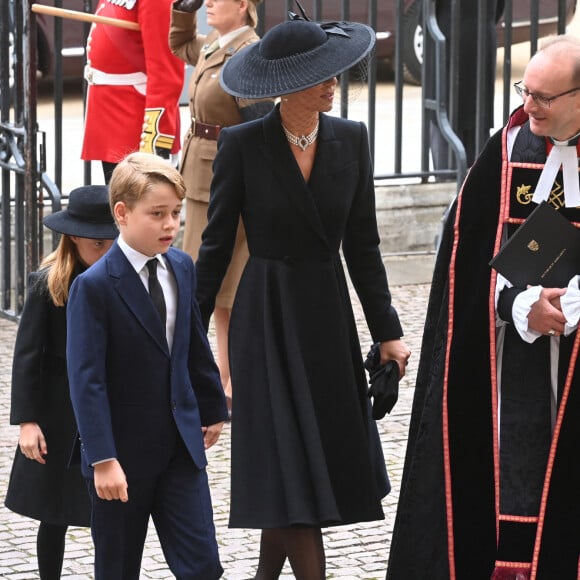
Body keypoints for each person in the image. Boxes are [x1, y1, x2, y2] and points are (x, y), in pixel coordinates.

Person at [194, 15, 411, 579]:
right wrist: (185, 337)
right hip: (264, 318)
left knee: (299, 471)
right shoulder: (242, 145)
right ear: (284, 85)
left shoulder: (352, 139)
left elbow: (363, 246)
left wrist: (387, 331)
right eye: (317, 76)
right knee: (286, 462)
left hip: (325, 319)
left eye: (333, 73)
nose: (332, 84)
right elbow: (215, 246)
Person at [386, 35, 580, 580]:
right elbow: (464, 265)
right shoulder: (506, 151)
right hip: (509, 363)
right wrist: (521, 307)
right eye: (527, 91)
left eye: (545, 97)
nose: (530, 106)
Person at [66, 152, 228, 580]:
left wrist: (212, 408)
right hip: (121, 458)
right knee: (118, 569)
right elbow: (88, 380)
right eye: (157, 214)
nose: (171, 225)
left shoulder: (181, 266)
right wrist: (102, 458)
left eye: (176, 212)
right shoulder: (94, 287)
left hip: (180, 449)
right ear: (121, 213)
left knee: (204, 567)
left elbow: (192, 342)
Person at [4, 185, 117, 579]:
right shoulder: (46, 283)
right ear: (72, 237)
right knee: (54, 513)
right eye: (97, 244)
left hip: (107, 408)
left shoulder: (122, 279)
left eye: (112, 242)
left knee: (112, 512)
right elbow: (27, 358)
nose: (106, 251)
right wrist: (28, 421)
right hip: (57, 413)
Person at [169, 0, 274, 415]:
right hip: (199, 181)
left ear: (244, 5)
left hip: (228, 183)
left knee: (227, 288)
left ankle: (232, 381)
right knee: (206, 282)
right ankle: (219, 376)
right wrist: (182, 8)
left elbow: (261, 122)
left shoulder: (250, 52)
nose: (208, 3)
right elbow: (179, 43)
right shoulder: (215, 42)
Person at [81, 0, 184, 184]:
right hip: (111, 114)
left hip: (135, 120)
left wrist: (155, 142)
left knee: (143, 205)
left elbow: (165, 74)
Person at [428, 0, 505, 171]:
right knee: (478, 120)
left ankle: (450, 182)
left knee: (445, 120)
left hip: (447, 40)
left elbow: (426, 15)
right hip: (481, 40)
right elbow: (499, 8)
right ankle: (475, 183)